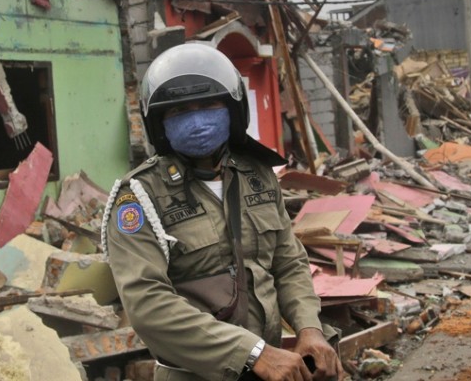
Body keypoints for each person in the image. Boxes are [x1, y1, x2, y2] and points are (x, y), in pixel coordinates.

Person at [101, 43, 343, 381]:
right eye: (180, 110)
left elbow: (288, 263)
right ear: (159, 122)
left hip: (271, 371)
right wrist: (252, 353)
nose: (197, 119)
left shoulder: (256, 176)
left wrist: (309, 328)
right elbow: (148, 304)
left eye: (208, 104)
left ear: (232, 110)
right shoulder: (138, 197)